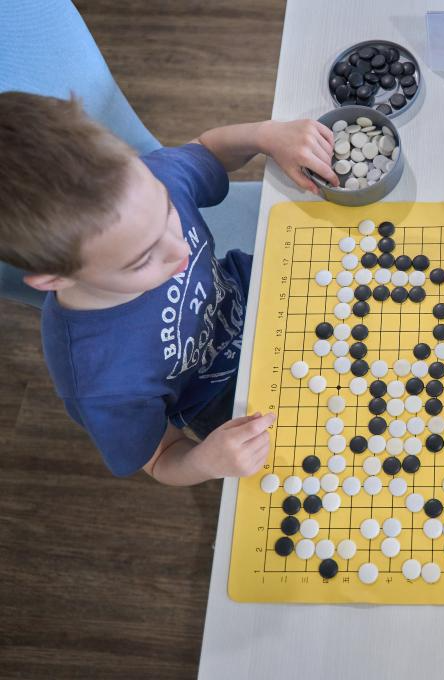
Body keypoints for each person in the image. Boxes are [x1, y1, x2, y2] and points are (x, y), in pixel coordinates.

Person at [0, 91, 341, 485]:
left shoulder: (143, 182)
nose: (180, 250)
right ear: (54, 278)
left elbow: (207, 150)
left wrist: (264, 136)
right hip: (227, 399)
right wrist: (206, 462)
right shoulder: (98, 381)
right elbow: (162, 457)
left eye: (167, 211)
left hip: (265, 291)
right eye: (141, 259)